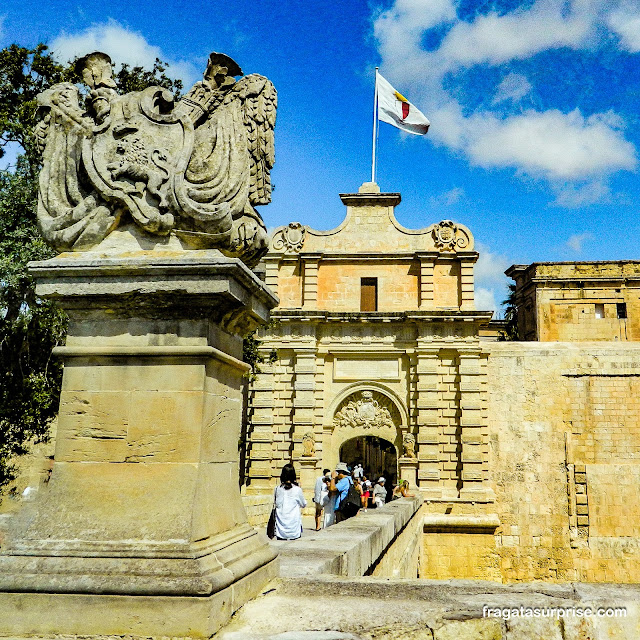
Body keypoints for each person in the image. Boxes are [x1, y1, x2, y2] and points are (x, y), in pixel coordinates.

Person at [274, 463, 307, 540]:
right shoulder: (297, 490)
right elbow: (303, 504)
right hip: (293, 529)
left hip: (280, 529)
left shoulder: (277, 489)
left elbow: (276, 503)